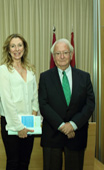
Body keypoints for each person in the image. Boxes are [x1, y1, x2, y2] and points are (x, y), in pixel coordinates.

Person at [38, 38, 95, 170]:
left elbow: (90, 104)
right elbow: (43, 104)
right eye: (58, 53)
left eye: (65, 52)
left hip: (77, 134)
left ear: (71, 54)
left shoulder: (84, 77)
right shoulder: (45, 77)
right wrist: (62, 126)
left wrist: (73, 125)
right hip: (52, 134)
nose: (62, 56)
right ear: (53, 57)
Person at [0, 34, 39, 170]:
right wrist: (19, 127)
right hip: (11, 123)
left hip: (29, 122)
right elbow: (7, 101)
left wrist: (32, 117)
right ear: (8, 50)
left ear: (24, 48)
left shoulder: (31, 70)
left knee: (25, 162)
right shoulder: (3, 70)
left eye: (20, 45)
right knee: (13, 162)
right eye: (13, 46)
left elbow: (35, 96)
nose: (17, 49)